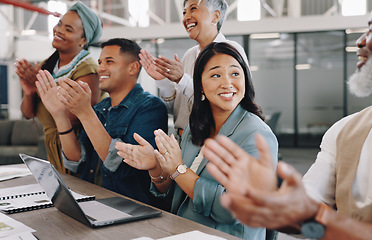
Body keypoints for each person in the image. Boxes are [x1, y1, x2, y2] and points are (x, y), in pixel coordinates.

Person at [203, 0, 372, 239]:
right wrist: (272, 201)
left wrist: (313, 216)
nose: (361, 41)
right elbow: (305, 217)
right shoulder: (344, 130)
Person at [116, 42, 278, 239]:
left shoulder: (257, 135)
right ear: (199, 85)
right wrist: (157, 168)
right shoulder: (196, 127)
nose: (227, 83)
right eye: (216, 75)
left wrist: (178, 169)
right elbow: (176, 195)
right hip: (181, 231)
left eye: (235, 74)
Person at [35, 38, 169, 209]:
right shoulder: (100, 108)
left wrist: (85, 113)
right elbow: (76, 160)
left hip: (130, 209)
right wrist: (60, 115)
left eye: (109, 61)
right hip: (94, 203)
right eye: (99, 62)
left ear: (133, 68)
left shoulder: (150, 107)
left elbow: (121, 167)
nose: (101, 68)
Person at [140, 0, 248, 137]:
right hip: (182, 141)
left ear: (215, 16)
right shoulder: (190, 55)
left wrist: (182, 80)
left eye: (193, 9)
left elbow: (226, 104)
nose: (186, 18)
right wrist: (164, 82)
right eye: (184, 12)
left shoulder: (232, 51)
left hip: (210, 142)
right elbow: (179, 111)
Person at [16, 1, 102, 172]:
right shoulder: (47, 65)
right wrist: (29, 92)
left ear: (83, 40)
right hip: (53, 150)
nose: (59, 30)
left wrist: (40, 87)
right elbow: (27, 114)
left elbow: (72, 117)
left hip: (78, 151)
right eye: (60, 24)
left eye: (69, 29)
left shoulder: (88, 70)